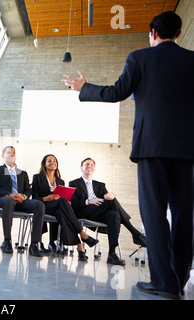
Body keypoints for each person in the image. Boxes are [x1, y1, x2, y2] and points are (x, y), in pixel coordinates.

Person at [62, 11, 193, 299]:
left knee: (154, 213)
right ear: (179, 34)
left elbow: (117, 92)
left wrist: (84, 88)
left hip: (151, 148)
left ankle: (163, 282)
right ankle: (180, 280)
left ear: (153, 34)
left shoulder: (140, 58)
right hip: (187, 150)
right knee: (184, 215)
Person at [69, 158, 146, 265]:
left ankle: (112, 254)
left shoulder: (100, 185)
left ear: (94, 169)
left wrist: (111, 195)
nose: (89, 166)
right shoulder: (74, 183)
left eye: (91, 165)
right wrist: (89, 201)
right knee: (112, 202)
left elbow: (108, 200)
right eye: (86, 165)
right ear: (81, 168)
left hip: (98, 214)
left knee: (114, 215)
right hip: (84, 212)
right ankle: (135, 233)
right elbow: (73, 204)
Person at [32, 154, 98, 261]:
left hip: (57, 208)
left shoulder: (60, 181)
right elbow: (34, 198)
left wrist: (67, 202)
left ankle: (79, 247)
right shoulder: (37, 177)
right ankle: (82, 234)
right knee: (62, 202)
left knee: (62, 213)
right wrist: (47, 198)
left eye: (54, 161)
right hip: (43, 207)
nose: (52, 163)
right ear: (44, 164)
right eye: (49, 161)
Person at [0, 146, 45, 256]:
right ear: (3, 156)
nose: (12, 154)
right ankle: (7, 241)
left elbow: (28, 190)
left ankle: (34, 244)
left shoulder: (22, 173)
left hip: (20, 201)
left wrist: (23, 197)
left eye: (13, 152)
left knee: (39, 205)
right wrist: (9, 195)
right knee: (9, 201)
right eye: (9, 152)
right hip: (3, 200)